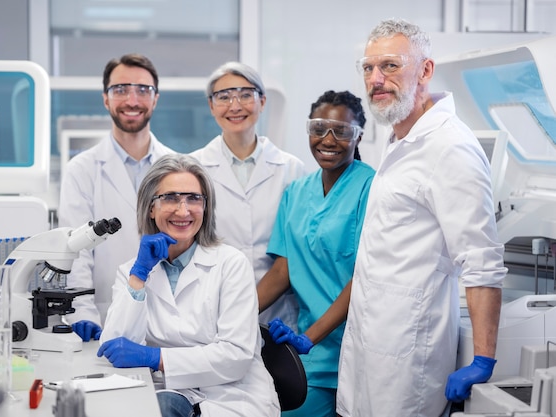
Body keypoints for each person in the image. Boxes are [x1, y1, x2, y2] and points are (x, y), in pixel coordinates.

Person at [336, 18, 507, 417]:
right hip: (370, 342)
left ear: (425, 70)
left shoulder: (450, 148)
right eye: (368, 68)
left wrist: (484, 359)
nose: (375, 79)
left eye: (390, 66)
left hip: (409, 359)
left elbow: (481, 261)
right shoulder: (399, 136)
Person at [97, 153, 280, 417]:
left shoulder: (231, 264)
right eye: (170, 197)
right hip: (170, 393)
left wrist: (155, 358)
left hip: (232, 398)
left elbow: (236, 356)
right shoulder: (131, 271)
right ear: (150, 208)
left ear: (205, 208)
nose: (183, 211)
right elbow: (115, 348)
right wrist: (139, 276)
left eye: (194, 198)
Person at [256, 90, 375, 417]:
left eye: (342, 131)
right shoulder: (297, 192)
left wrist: (308, 338)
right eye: (319, 128)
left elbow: (364, 277)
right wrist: (232, 313)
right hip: (308, 356)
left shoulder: (373, 188)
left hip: (351, 349)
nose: (329, 139)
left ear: (359, 136)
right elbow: (283, 270)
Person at [58, 53, 175, 342]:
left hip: (168, 317)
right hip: (103, 317)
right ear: (106, 99)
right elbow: (77, 251)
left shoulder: (177, 167)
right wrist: (82, 312)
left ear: (155, 98)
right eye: (120, 89)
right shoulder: (82, 170)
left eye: (142, 90)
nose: (132, 100)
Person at [190, 61, 306, 329]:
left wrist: (247, 310)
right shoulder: (193, 169)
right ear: (211, 106)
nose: (235, 105)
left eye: (245, 94)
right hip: (213, 310)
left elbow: (294, 254)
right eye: (224, 97)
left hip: (276, 316)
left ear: (262, 101)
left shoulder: (291, 169)